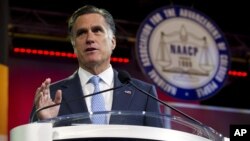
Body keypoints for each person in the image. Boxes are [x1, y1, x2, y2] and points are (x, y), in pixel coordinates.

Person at [30, 5, 162, 127]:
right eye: (81, 33)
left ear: (113, 42)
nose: (89, 39)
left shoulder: (144, 94)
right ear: (74, 46)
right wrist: (44, 124)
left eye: (97, 30)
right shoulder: (50, 96)